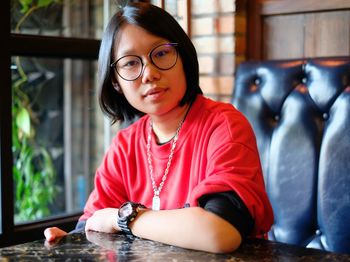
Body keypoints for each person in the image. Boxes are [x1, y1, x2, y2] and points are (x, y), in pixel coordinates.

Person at [44, 2, 273, 253]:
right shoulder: (125, 145)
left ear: (183, 57)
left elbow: (219, 232)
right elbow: (93, 224)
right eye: (131, 63)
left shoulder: (224, 126)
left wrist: (121, 218)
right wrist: (70, 239)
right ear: (116, 82)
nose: (149, 73)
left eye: (161, 53)